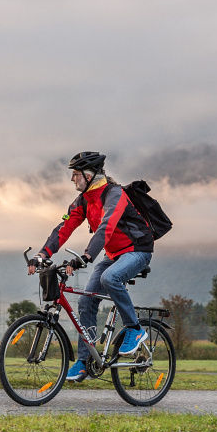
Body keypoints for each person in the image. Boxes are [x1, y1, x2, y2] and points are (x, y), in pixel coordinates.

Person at [28, 151, 154, 381]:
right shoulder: (84, 201)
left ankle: (135, 329)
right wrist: (42, 253)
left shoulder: (115, 195)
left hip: (137, 250)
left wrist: (86, 256)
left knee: (110, 278)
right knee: (86, 300)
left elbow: (106, 227)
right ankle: (84, 362)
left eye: (75, 175)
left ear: (89, 175)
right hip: (114, 253)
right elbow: (63, 228)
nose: (72, 180)